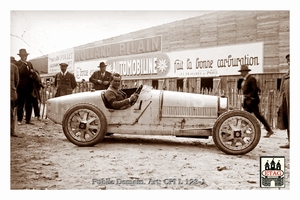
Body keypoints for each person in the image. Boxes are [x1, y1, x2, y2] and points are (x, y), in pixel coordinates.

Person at [239, 64, 274, 137]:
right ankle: (242, 131)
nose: (241, 73)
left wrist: (250, 97)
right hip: (247, 101)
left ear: (245, 72)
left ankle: (269, 130)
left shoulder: (251, 79)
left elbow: (255, 89)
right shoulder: (245, 79)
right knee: (245, 116)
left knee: (258, 115)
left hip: (252, 101)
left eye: (242, 72)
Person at [15, 49, 35, 125]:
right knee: (21, 103)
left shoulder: (29, 63)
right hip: (21, 87)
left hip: (29, 87)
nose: (25, 57)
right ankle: (19, 119)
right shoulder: (18, 64)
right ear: (20, 56)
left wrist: (32, 72)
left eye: (26, 56)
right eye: (23, 56)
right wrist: (23, 65)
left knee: (29, 104)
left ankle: (28, 119)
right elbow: (18, 72)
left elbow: (32, 72)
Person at [277, 54, 290, 148]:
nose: (289, 62)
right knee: (288, 121)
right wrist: (280, 104)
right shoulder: (285, 76)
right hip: (287, 103)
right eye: (288, 61)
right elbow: (281, 92)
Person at [11, 56, 19, 137]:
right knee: (11, 112)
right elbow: (17, 81)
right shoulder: (14, 67)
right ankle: (11, 131)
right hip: (11, 92)